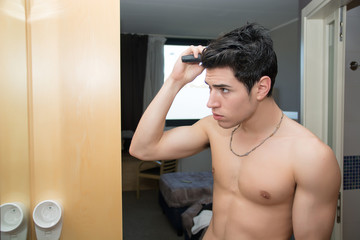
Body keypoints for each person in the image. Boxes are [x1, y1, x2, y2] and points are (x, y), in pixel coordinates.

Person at [129, 23, 341, 240]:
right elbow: (142, 149)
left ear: (261, 88)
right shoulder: (213, 127)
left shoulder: (311, 156)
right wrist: (175, 81)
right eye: (210, 88)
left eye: (224, 90)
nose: (210, 103)